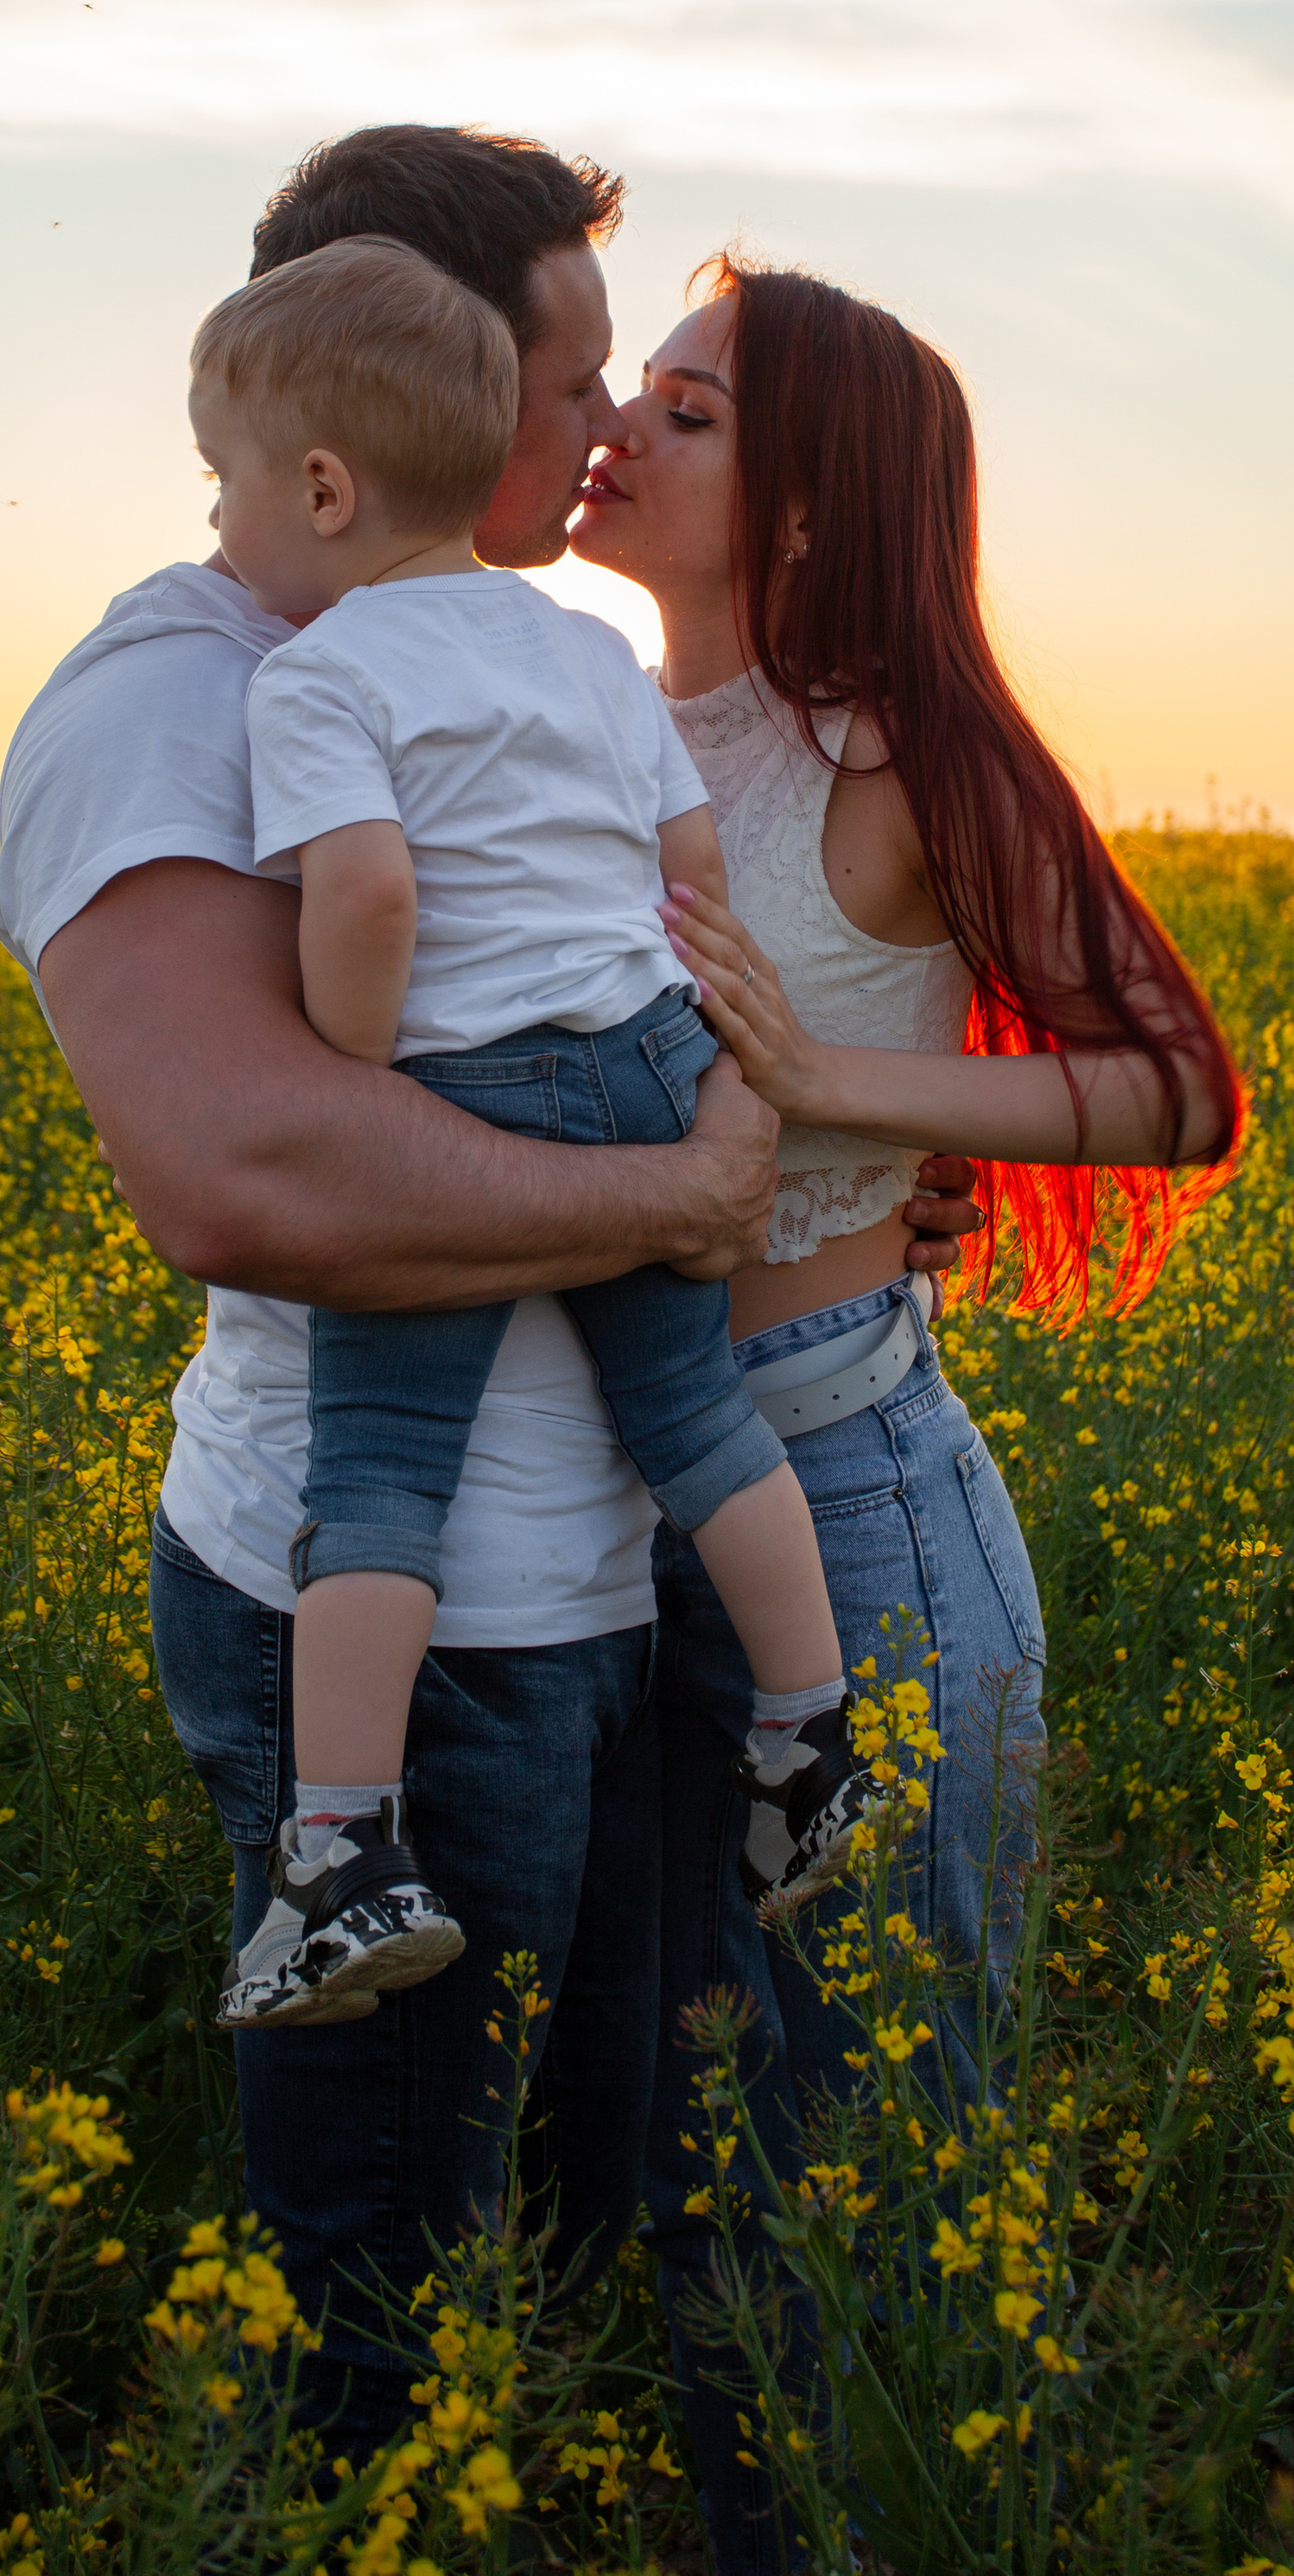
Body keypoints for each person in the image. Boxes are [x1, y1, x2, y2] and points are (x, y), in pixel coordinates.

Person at [0, 130, 980, 2464]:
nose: (592, 432)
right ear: (394, 399)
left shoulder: (495, 652)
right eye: (564, 382)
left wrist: (834, 1169)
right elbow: (247, 1166)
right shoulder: (183, 686)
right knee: (395, 2301)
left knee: (604, 2219)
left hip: (595, 1595)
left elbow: (654, 952)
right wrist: (683, 1190)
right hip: (415, 1640)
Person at [568, 253, 1242, 2575]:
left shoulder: (885, 754)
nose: (622, 426)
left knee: (875, 2137)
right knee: (667, 2136)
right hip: (591, 1513)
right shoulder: (578, 715)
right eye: (632, 387)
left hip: (843, 1489)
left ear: (815, 497)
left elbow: (1173, 1084)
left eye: (683, 404)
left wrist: (837, 1082)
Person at [187, 239, 871, 2030]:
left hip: (468, 1076)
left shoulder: (315, 678)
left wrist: (357, 1054)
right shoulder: (578, 649)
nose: (220, 514)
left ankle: (338, 1850)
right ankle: (805, 1726)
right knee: (691, 1415)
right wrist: (690, 1022)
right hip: (642, 1054)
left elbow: (373, 896)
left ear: (321, 487)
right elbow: (693, 862)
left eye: (227, 479)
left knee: (380, 1473)